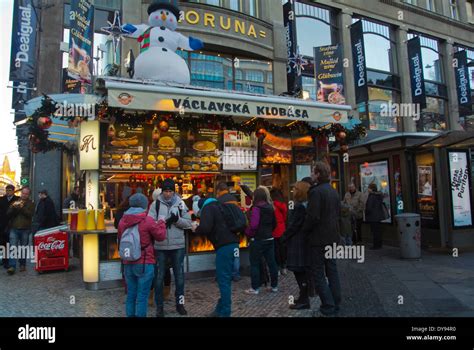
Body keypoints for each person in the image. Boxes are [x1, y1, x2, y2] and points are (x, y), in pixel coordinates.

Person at [148, 178, 192, 317]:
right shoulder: (155, 205)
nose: (168, 194)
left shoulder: (180, 204)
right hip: (160, 246)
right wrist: (162, 223)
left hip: (177, 246)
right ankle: (159, 307)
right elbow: (149, 224)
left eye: (170, 191)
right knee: (159, 277)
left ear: (174, 191)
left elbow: (188, 223)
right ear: (162, 191)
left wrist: (177, 220)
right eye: (166, 191)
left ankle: (180, 304)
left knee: (179, 277)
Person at [302, 161, 342, 317]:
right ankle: (336, 302)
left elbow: (313, 217)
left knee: (318, 272)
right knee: (332, 270)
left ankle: (328, 306)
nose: (312, 174)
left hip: (318, 239)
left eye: (313, 172)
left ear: (318, 174)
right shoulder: (333, 191)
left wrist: (305, 230)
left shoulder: (315, 192)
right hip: (332, 236)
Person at [118, 193, 166, 317]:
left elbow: (119, 240)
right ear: (145, 205)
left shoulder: (122, 221)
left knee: (131, 296)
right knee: (142, 297)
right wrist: (161, 222)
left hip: (128, 263)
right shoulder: (147, 220)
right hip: (145, 262)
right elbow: (161, 236)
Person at [193, 197, 240, 317]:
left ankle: (225, 312)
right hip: (233, 244)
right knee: (226, 279)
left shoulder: (207, 209)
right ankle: (220, 308)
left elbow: (206, 228)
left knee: (223, 280)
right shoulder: (220, 206)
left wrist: (196, 228)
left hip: (224, 247)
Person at [280, 181, 311, 310]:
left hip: (298, 241)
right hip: (301, 240)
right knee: (301, 271)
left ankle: (304, 299)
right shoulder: (305, 205)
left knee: (300, 271)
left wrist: (284, 237)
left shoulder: (299, 207)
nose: (293, 191)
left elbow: (294, 225)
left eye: (295, 189)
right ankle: (303, 297)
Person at [244, 187, 279, 295]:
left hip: (258, 240)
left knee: (255, 264)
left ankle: (255, 288)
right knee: (272, 263)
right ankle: (274, 286)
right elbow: (275, 224)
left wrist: (248, 233)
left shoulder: (256, 208)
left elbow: (254, 225)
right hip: (269, 239)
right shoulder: (270, 207)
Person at [216, 182, 242, 282]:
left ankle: (224, 274)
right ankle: (236, 275)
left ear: (219, 191)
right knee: (235, 255)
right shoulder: (234, 199)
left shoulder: (219, 200)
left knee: (224, 255)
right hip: (235, 230)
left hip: (224, 231)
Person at [6, 187, 35, 275]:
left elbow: (30, 214)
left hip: (25, 229)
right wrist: (14, 208)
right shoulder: (15, 202)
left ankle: (22, 264)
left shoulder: (31, 203)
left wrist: (21, 208)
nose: (24, 195)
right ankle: (12, 266)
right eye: (23, 193)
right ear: (21, 193)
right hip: (14, 228)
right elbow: (8, 213)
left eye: (26, 194)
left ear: (28, 195)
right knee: (13, 247)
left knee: (23, 248)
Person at [0, 185, 19, 268]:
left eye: (10, 190)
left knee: (12, 244)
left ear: (13, 191)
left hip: (13, 224)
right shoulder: (1, 199)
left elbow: (18, 212)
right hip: (2, 225)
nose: (8, 192)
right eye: (7, 190)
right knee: (3, 243)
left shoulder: (17, 199)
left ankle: (11, 262)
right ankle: (5, 260)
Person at [270, 188, 288, 275]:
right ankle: (283, 267)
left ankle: (277, 268)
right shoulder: (283, 205)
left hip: (273, 229)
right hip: (282, 228)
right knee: (283, 249)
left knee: (275, 250)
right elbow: (285, 217)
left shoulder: (271, 205)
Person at [365, 183, 386, 249]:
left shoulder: (371, 196)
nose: (368, 189)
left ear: (371, 189)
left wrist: (366, 212)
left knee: (375, 231)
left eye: (368, 188)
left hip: (373, 216)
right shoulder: (379, 195)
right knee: (378, 231)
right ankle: (379, 244)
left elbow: (369, 207)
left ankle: (376, 245)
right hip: (378, 215)